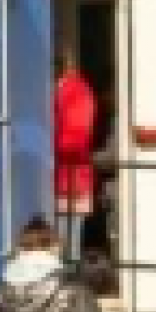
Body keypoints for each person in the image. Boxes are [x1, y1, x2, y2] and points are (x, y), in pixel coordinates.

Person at [53, 50, 98, 251]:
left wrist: (46, 147)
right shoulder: (74, 90)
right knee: (65, 237)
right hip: (66, 174)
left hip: (69, 175)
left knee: (67, 241)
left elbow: (75, 139)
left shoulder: (75, 91)